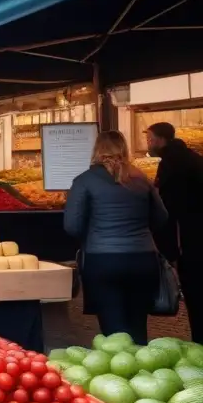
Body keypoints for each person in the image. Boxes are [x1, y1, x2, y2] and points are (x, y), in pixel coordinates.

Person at [63, 130, 167, 345]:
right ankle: (142, 370)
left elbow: (72, 226)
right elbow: (161, 218)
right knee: (138, 324)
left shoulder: (84, 181)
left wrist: (93, 234)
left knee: (113, 329)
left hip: (103, 261)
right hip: (143, 260)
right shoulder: (141, 179)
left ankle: (121, 371)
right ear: (124, 149)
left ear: (97, 150)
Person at [147, 122, 203, 342]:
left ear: (161, 140)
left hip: (191, 244)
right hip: (194, 238)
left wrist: (168, 254)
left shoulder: (172, 165)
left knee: (196, 298)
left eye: (150, 139)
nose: (148, 143)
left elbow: (167, 211)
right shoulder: (193, 158)